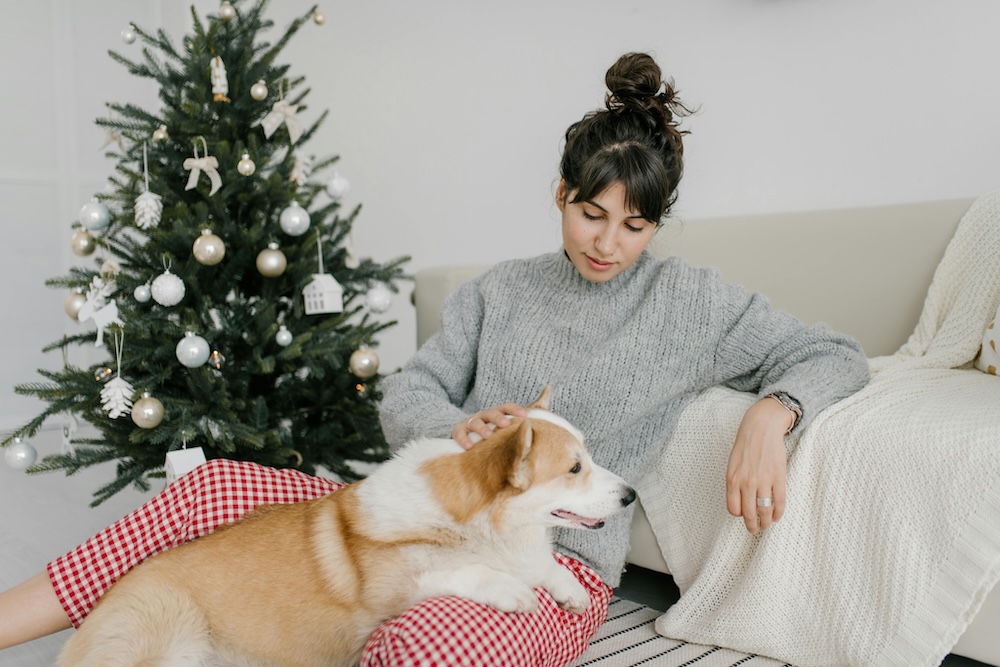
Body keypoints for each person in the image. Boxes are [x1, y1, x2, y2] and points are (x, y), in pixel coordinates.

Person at [0, 52, 869, 666]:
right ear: (559, 194)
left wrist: (773, 409)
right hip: (421, 520)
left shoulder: (690, 302)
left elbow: (831, 351)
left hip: (546, 564)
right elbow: (412, 388)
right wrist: (455, 425)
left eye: (635, 226)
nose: (608, 243)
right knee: (210, 487)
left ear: (656, 224)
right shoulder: (499, 290)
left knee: (423, 643)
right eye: (590, 215)